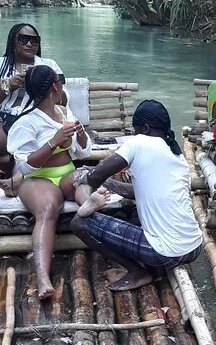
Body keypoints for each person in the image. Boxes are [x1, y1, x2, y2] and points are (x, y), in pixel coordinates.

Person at [70, 100, 203, 291]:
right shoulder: (176, 154)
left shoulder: (139, 142)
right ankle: (145, 264)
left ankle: (137, 272)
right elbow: (140, 191)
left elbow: (95, 176)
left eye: (135, 130)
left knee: (78, 223)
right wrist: (109, 183)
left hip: (166, 252)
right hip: (193, 247)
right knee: (133, 214)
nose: (134, 134)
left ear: (145, 128)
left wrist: (84, 178)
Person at [5, 65, 90, 299]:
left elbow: (82, 152)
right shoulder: (26, 122)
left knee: (83, 184)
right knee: (48, 208)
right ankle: (43, 277)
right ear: (54, 86)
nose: (61, 85)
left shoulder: (64, 113)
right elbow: (25, 165)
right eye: (59, 81)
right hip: (37, 178)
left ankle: (91, 209)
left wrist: (81, 135)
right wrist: (53, 142)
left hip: (66, 173)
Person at [0, 24, 67, 159]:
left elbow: (62, 101)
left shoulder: (49, 65)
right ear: (13, 41)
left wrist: (47, 85)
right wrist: (8, 85)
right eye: (23, 39)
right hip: (3, 116)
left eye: (34, 40)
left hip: (36, 117)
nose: (29, 44)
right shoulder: (1, 64)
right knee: (2, 143)